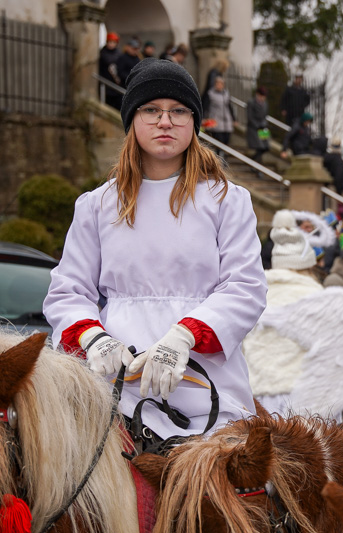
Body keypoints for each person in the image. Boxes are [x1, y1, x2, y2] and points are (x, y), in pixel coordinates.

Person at [43, 58, 268, 443]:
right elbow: (68, 292)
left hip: (205, 384)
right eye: (151, 110)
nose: (165, 121)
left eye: (178, 111)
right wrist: (94, 338)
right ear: (132, 120)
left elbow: (245, 287)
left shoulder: (227, 200)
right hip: (116, 389)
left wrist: (183, 337)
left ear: (194, 123)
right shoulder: (97, 205)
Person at [243, 210, 343, 421]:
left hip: (255, 401)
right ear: (308, 264)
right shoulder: (318, 297)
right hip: (308, 401)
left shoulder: (250, 298)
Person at [202, 75, 235, 156]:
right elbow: (205, 106)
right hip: (215, 121)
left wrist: (234, 119)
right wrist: (203, 118)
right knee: (218, 141)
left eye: (221, 83)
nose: (219, 85)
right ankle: (219, 156)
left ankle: (222, 156)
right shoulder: (210, 94)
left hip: (226, 122)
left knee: (226, 140)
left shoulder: (226, 93)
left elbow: (229, 106)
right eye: (218, 83)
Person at [246, 86, 270, 164]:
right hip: (254, 128)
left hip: (263, 128)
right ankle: (257, 167)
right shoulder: (251, 102)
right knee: (260, 147)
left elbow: (265, 116)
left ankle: (252, 161)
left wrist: (264, 124)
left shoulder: (265, 104)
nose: (262, 98)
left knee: (266, 147)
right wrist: (257, 125)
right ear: (257, 94)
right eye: (261, 96)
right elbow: (250, 117)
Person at [98, 31, 122, 109]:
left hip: (116, 83)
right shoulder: (103, 52)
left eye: (113, 42)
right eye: (110, 42)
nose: (111, 44)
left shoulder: (118, 53)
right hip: (106, 81)